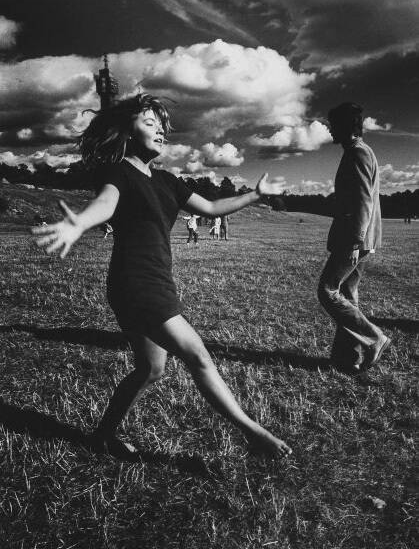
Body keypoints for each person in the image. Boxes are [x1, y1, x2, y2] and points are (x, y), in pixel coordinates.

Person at [32, 92, 292, 459]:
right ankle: (254, 432)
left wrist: (255, 195)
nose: (160, 132)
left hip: (154, 280)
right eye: (150, 123)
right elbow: (106, 202)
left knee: (151, 369)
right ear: (127, 131)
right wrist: (81, 222)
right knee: (198, 355)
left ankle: (102, 436)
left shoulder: (167, 181)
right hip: (135, 283)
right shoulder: (118, 172)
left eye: (162, 127)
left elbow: (211, 207)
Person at [317, 102, 391, 372]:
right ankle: (348, 357)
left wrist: (355, 241)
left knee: (328, 290)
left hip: (354, 238)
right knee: (347, 293)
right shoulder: (359, 151)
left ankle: (374, 338)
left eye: (332, 125)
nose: (329, 129)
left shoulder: (358, 153)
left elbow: (363, 202)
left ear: (345, 126)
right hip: (362, 238)